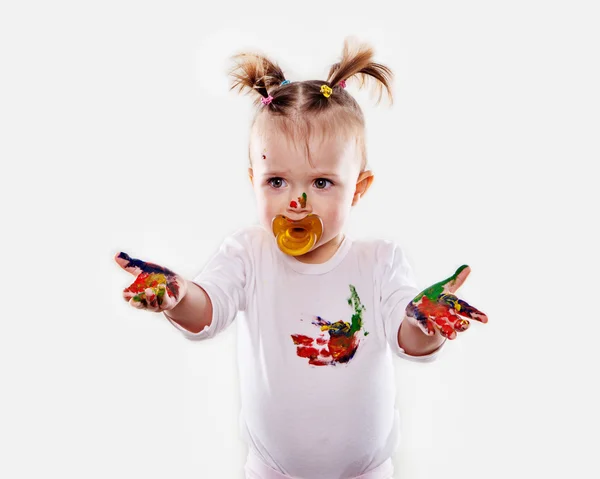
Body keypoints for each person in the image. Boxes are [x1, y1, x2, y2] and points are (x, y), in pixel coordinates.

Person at [115, 37, 488, 479]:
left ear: (360, 188)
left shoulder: (379, 262)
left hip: (365, 473)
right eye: (277, 181)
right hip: (272, 470)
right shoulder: (248, 254)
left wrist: (425, 320)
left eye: (323, 183)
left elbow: (410, 340)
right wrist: (177, 296)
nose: (298, 201)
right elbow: (207, 311)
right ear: (254, 180)